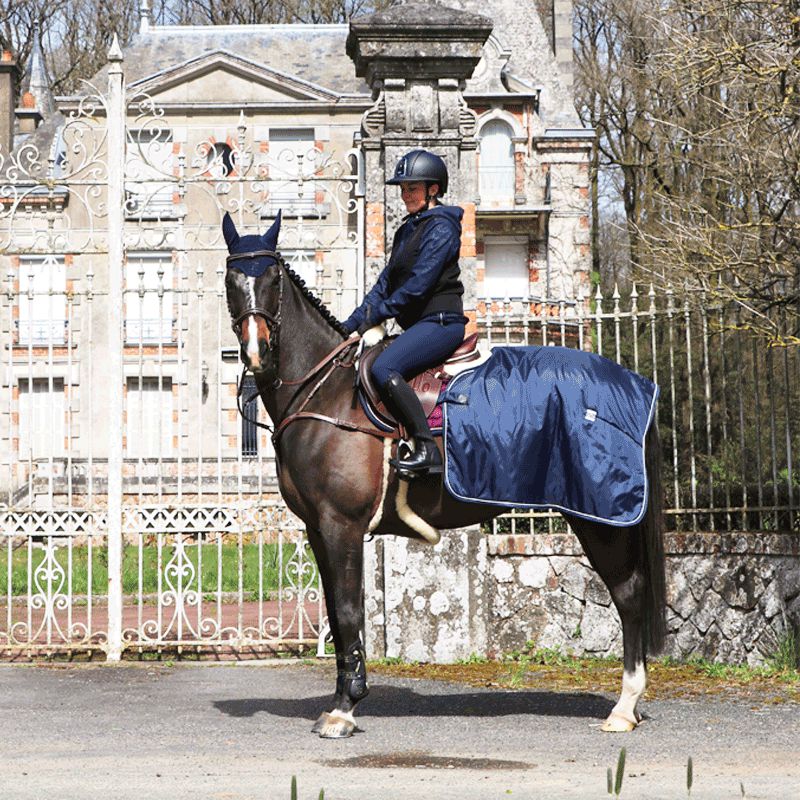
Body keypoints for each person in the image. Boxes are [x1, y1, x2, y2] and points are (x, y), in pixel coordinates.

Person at [341, 150, 467, 477]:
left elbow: (417, 286)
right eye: (403, 188)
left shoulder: (441, 227)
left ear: (433, 189)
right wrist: (349, 324)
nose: (405, 194)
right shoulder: (407, 230)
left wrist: (377, 317)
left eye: (412, 188)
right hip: (418, 325)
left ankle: (427, 448)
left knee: (385, 367)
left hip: (441, 322)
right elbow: (385, 284)